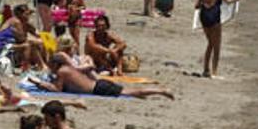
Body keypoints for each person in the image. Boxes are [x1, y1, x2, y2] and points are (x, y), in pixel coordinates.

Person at [30, 53, 174, 99]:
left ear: (56, 65)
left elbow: (57, 89)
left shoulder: (62, 72)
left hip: (98, 89)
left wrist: (38, 84)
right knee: (132, 92)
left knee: (132, 92)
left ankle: (161, 91)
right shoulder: (67, 69)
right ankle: (154, 91)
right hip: (99, 84)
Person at [195, 0, 240, 78]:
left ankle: (206, 69)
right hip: (214, 15)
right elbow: (228, 1)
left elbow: (197, 5)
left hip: (204, 15)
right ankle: (214, 72)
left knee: (210, 43)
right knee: (217, 46)